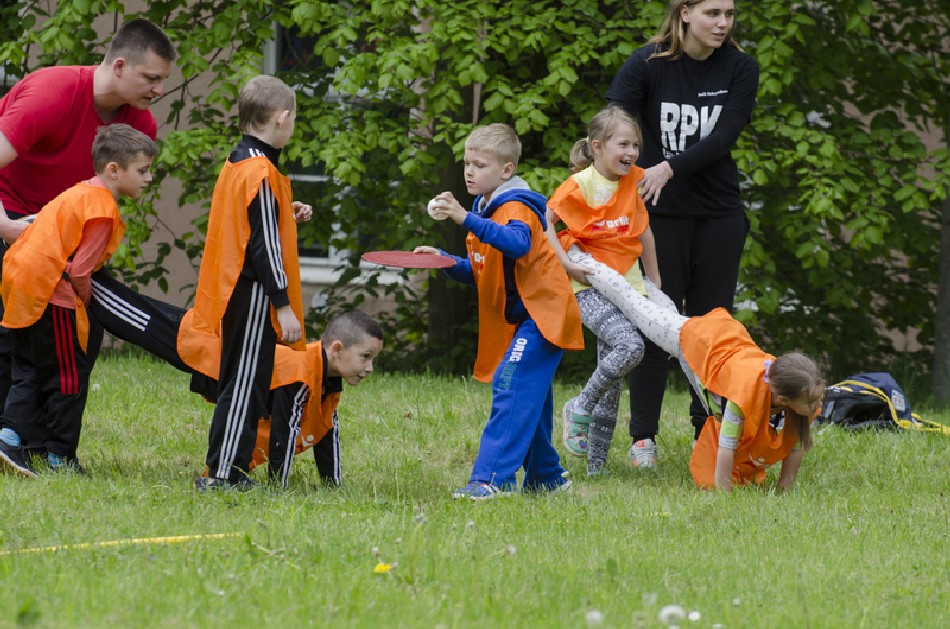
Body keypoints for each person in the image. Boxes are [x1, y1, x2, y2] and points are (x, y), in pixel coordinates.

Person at [605, 0, 759, 468]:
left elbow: (723, 138)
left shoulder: (740, 67)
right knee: (654, 323)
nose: (723, 23)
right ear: (685, 12)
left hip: (718, 217)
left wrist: (668, 167)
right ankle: (642, 441)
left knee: (712, 330)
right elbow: (613, 125)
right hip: (657, 218)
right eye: (713, 13)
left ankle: (706, 434)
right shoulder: (646, 64)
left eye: (729, 14)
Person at [0, 17, 175, 425]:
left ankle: (45, 440)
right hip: (10, 214)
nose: (159, 90)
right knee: (15, 336)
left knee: (83, 332)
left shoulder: (139, 125)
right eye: (151, 78)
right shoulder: (52, 93)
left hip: (60, 235)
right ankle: (11, 434)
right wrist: (7, 228)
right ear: (119, 66)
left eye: (163, 80)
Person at [417, 123, 584, 499]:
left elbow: (517, 244)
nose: (470, 172)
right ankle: (547, 479)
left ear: (507, 170)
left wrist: (464, 218)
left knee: (510, 385)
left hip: (542, 318)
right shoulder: (486, 208)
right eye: (467, 164)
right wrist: (445, 260)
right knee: (529, 398)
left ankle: (491, 480)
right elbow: (485, 271)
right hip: (526, 320)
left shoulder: (514, 207)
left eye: (480, 165)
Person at [568, 247, 824, 491]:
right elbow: (726, 448)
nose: (818, 404)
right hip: (696, 340)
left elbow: (794, 448)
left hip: (715, 345)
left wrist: (783, 489)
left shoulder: (792, 398)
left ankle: (638, 279)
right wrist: (725, 497)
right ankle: (581, 258)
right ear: (783, 398)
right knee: (634, 305)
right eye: (813, 400)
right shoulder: (742, 397)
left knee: (661, 310)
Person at [0, 124, 157, 477]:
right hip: (52, 293)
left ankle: (7, 440)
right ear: (113, 170)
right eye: (143, 170)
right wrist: (88, 302)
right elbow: (81, 272)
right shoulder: (101, 209)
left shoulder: (77, 192)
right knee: (69, 376)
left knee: (28, 369)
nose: (148, 178)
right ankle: (60, 457)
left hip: (19, 287)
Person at [177, 74, 306, 491]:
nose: (293, 127)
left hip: (235, 290)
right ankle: (224, 474)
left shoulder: (238, 161)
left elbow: (252, 225)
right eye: (294, 120)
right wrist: (283, 305)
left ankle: (228, 468)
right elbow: (264, 247)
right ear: (281, 118)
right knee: (246, 384)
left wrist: (287, 213)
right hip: (253, 294)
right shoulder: (260, 171)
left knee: (243, 380)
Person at [544, 106, 660, 475]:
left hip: (628, 288)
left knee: (613, 380)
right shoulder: (580, 184)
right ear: (597, 146)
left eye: (635, 145)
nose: (631, 152)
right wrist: (567, 264)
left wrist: (655, 283)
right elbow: (546, 223)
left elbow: (644, 232)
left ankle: (596, 469)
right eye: (623, 144)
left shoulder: (635, 181)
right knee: (630, 347)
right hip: (589, 285)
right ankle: (579, 405)